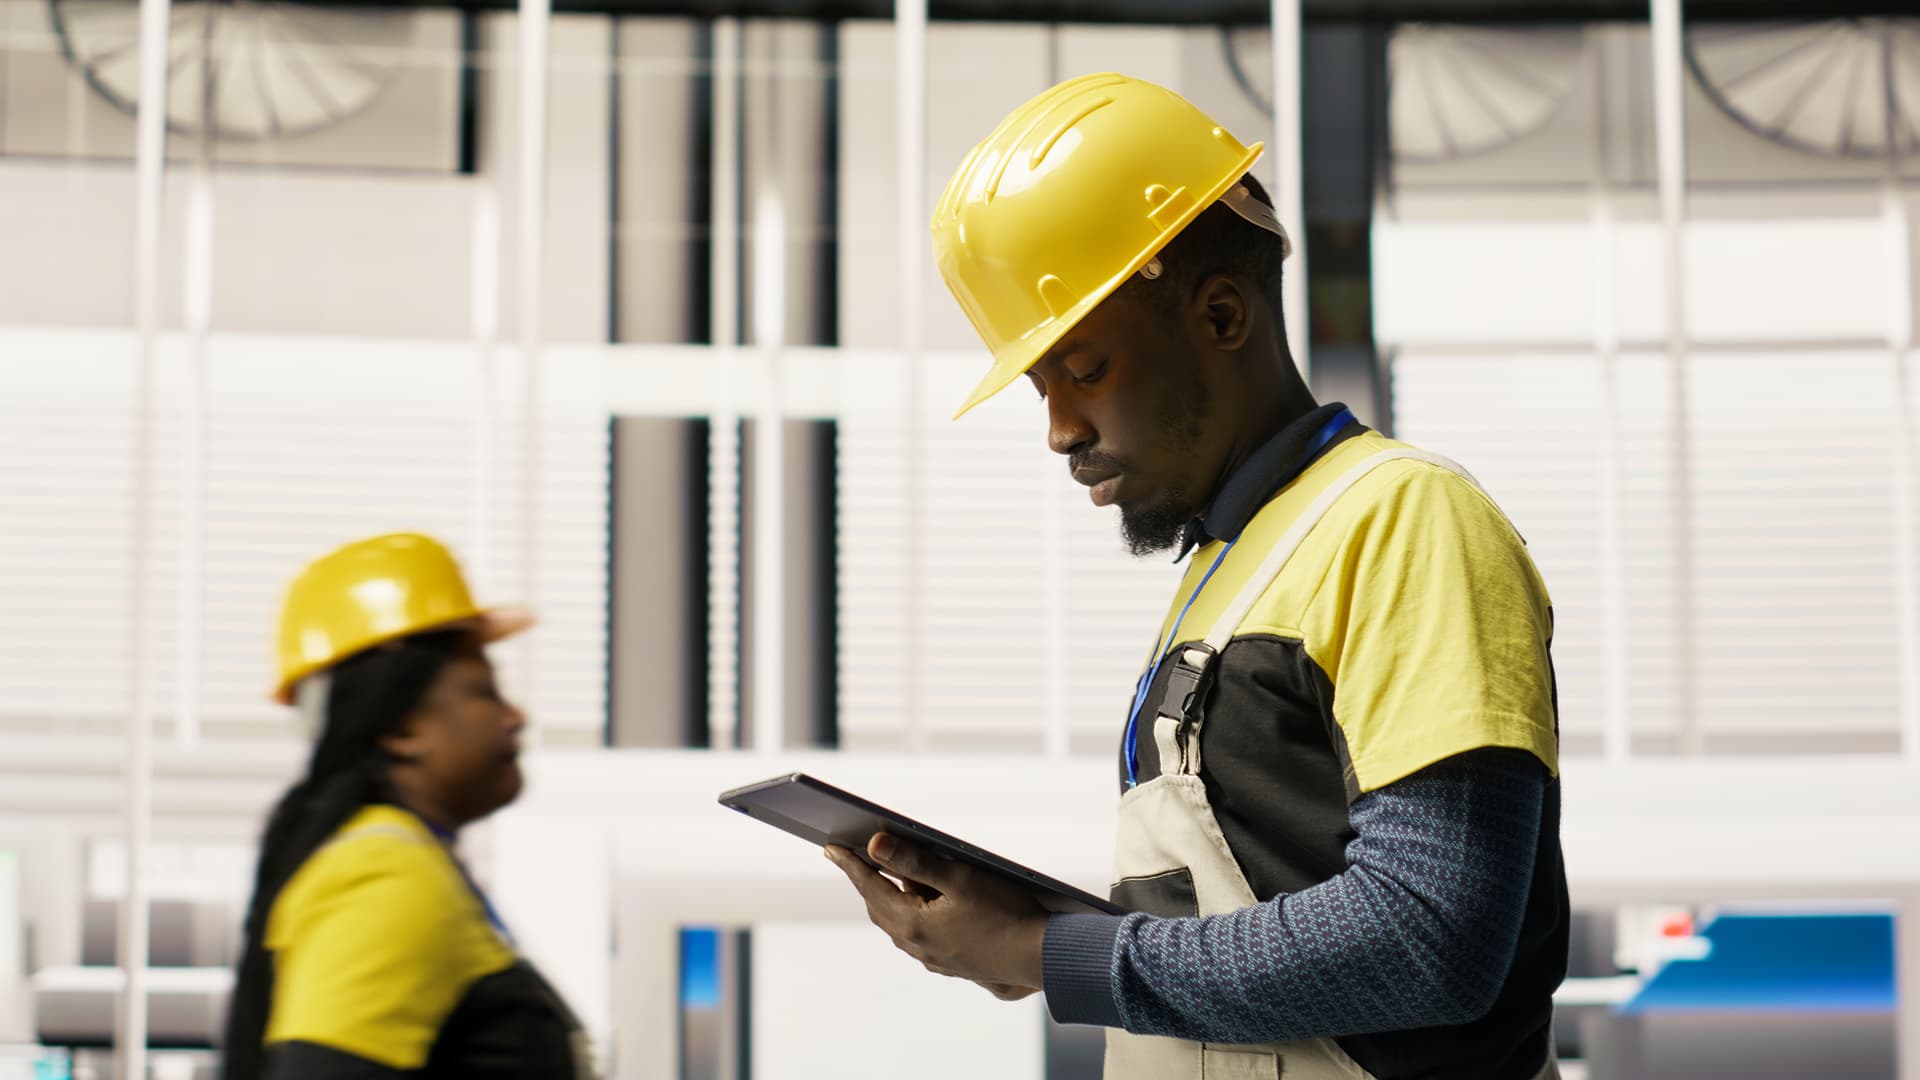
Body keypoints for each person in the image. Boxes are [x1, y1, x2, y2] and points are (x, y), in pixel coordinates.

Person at [824, 73, 1567, 1080]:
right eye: (1040, 388)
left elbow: (1429, 938)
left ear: (1222, 316)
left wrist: (1050, 953)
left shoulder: (1402, 518)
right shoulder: (1231, 568)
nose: (1058, 432)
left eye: (1083, 371)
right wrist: (1018, 933)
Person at [221, 532, 595, 1079]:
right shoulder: (388, 876)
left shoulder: (403, 862)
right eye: (484, 691)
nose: (515, 717)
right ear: (401, 727)